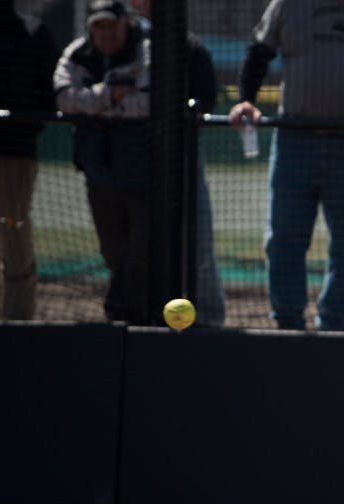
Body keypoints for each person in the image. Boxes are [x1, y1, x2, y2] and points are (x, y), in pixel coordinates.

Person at [229, 0, 344, 331]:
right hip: (295, 137)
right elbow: (260, 52)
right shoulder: (288, 5)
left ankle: (334, 321)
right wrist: (246, 97)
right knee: (284, 238)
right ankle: (288, 320)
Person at [54, 0, 153, 324]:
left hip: (141, 168)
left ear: (124, 23)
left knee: (142, 243)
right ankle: (124, 310)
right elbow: (64, 98)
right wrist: (110, 96)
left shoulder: (145, 49)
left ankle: (128, 313)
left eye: (111, 25)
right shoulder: (77, 53)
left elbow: (151, 100)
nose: (105, 34)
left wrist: (93, 107)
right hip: (98, 168)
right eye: (99, 26)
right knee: (112, 248)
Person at [130, 0, 226, 327]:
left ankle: (211, 321)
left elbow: (206, 95)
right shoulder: (123, 38)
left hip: (180, 156)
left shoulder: (187, 44)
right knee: (133, 243)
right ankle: (137, 312)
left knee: (198, 245)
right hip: (130, 157)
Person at [0, 0, 58, 321]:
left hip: (15, 151)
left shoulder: (30, 29)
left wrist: (24, 125)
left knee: (13, 231)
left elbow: (49, 91)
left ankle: (17, 319)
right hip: (18, 146)